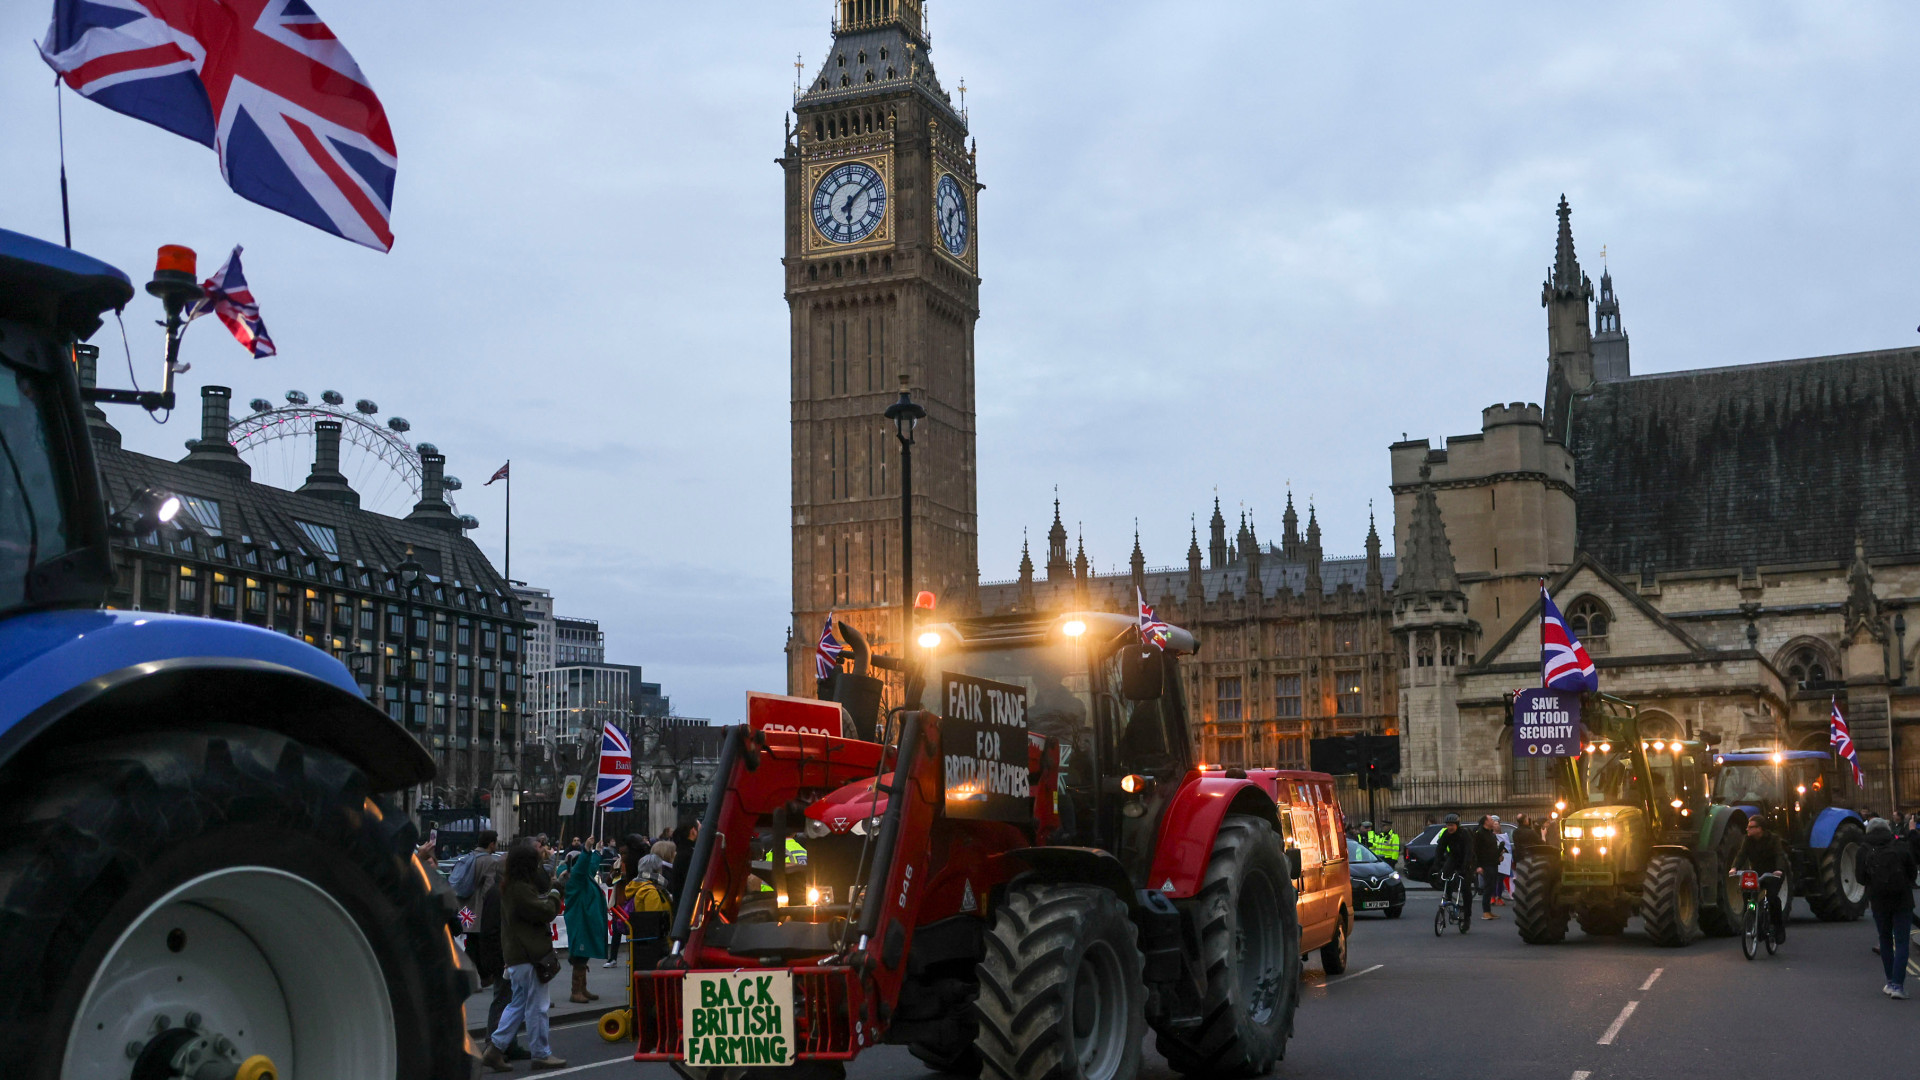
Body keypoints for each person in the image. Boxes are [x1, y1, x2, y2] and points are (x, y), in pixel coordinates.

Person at [482, 840, 567, 1072]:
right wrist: (556, 892)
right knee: (537, 1006)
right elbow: (546, 912)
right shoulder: (519, 889)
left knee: (517, 1004)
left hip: (518, 956)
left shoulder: (511, 886)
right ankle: (541, 1053)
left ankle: (495, 1048)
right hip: (529, 955)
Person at [1860, 817, 1917, 998]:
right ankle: (1898, 987)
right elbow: (1912, 872)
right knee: (1901, 942)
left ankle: (1890, 981)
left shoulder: (1863, 849)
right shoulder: (1900, 846)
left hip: (1878, 901)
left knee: (1885, 940)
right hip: (1902, 900)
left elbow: (1860, 877)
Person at [559, 843, 607, 1003]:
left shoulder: (584, 877)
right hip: (580, 923)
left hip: (585, 922)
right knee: (579, 956)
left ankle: (582, 988)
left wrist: (597, 853)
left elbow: (591, 867)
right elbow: (582, 868)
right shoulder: (575, 880)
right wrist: (586, 850)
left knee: (583, 955)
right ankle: (575, 991)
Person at [1733, 815, 1790, 944]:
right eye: (1747, 827)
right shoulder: (1748, 840)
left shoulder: (1774, 839)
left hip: (1773, 874)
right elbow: (1742, 854)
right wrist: (1734, 868)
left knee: (1772, 898)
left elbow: (1779, 855)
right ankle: (1751, 918)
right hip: (1757, 874)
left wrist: (1779, 870)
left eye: (1751, 827)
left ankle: (1778, 927)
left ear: (1760, 829)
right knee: (1747, 893)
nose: (1747, 829)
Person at [1437, 814, 1474, 915]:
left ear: (1457, 825)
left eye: (1452, 825)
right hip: (1453, 857)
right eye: (1448, 825)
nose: (1449, 827)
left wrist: (1465, 867)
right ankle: (1448, 897)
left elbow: (1469, 851)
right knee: (1445, 874)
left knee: (1466, 890)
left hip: (1466, 860)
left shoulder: (1464, 834)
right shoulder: (1446, 834)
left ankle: (1467, 916)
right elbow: (1439, 850)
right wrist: (1437, 866)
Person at [1474, 815, 1504, 917]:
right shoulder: (1480, 833)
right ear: (1486, 822)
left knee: (1491, 887)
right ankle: (1485, 912)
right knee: (1488, 888)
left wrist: (1499, 855)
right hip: (1485, 864)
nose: (1493, 821)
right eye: (1491, 820)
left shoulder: (1490, 834)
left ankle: (1489, 911)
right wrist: (1478, 866)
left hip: (1493, 863)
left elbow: (1492, 849)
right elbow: (1476, 851)